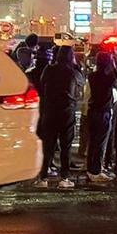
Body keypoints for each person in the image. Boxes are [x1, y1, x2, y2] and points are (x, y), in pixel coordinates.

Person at [36, 46, 86, 188]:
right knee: (66, 146)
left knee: (48, 146)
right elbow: (81, 83)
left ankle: (43, 177)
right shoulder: (73, 72)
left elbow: (42, 83)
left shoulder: (49, 69)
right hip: (67, 112)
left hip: (50, 111)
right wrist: (76, 65)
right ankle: (64, 178)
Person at [85, 51, 117, 182]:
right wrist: (114, 65)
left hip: (92, 111)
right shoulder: (109, 78)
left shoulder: (92, 76)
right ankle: (96, 170)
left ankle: (90, 169)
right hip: (104, 112)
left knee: (93, 141)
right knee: (101, 143)